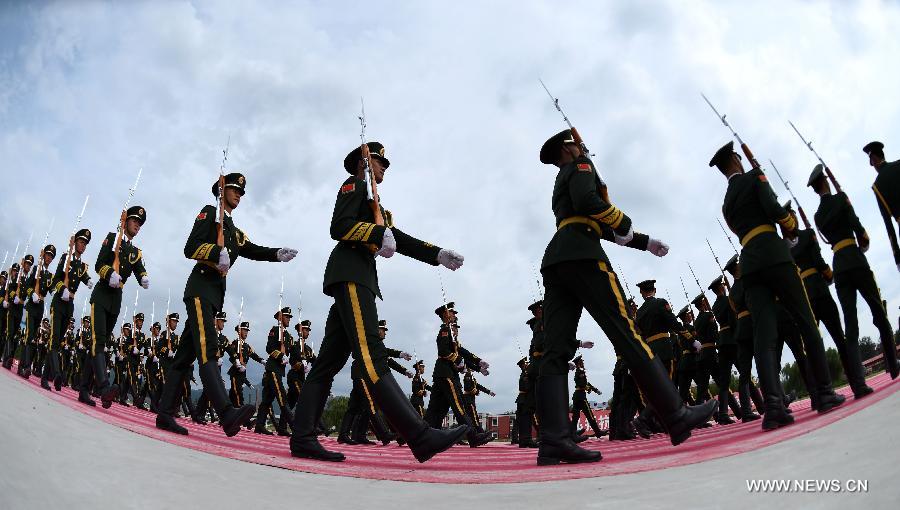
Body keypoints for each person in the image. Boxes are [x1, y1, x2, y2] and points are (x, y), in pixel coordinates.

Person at [536, 129, 716, 465]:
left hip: (558, 259)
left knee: (556, 350)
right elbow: (592, 206)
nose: (584, 148)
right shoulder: (581, 167)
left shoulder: (562, 178)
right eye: (579, 144)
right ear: (569, 147)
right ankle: (675, 415)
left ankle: (554, 440)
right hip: (584, 257)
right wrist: (626, 221)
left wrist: (644, 241)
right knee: (627, 334)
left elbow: (589, 218)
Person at [289, 141, 470, 463]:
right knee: (372, 354)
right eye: (378, 160)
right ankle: (420, 435)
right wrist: (375, 235)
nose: (384, 166)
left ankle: (302, 437)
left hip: (358, 277)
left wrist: (436, 253)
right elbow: (339, 227)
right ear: (363, 162)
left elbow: (397, 236)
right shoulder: (355, 185)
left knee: (327, 364)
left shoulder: (378, 205)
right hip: (352, 275)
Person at [711, 141, 844, 430]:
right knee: (806, 321)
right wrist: (791, 223)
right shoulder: (754, 177)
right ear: (736, 159)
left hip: (750, 264)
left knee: (764, 335)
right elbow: (773, 209)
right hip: (774, 253)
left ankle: (773, 407)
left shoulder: (726, 203)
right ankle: (823, 393)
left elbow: (738, 230)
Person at [155, 172, 297, 437]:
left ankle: (164, 414)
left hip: (213, 295)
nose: (239, 195)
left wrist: (276, 254)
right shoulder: (210, 213)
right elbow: (190, 248)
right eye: (234, 190)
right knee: (208, 348)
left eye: (242, 193)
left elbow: (252, 249)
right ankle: (225, 412)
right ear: (222, 191)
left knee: (184, 357)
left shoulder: (233, 230)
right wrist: (214, 252)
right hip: (200, 289)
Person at [810, 164, 898, 381]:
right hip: (855, 258)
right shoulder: (841, 199)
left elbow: (828, 239)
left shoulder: (818, 216)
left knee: (850, 323)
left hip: (839, 265)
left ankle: (858, 380)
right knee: (878, 310)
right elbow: (857, 227)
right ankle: (893, 363)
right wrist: (863, 240)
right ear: (826, 181)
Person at [80, 206, 149, 408]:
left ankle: (84, 389)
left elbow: (139, 268)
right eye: (135, 220)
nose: (137, 225)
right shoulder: (112, 239)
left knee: (98, 345)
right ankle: (103, 388)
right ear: (126, 221)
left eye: (140, 223)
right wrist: (109, 273)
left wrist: (143, 277)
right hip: (101, 295)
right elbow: (98, 264)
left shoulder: (135, 252)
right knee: (98, 340)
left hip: (115, 299)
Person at [863, 141, 900, 273]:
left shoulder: (877, 186)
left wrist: (897, 255)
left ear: (874, 159)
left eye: (871, 162)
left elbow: (888, 223)